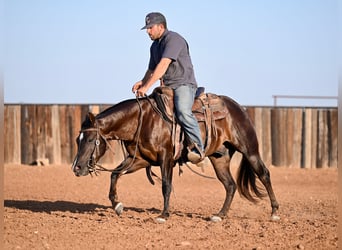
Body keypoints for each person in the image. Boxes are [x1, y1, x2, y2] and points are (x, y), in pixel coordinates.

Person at [132, 12, 205, 164]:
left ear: (161, 26)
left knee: (183, 111)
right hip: (167, 86)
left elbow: (163, 65)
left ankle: (198, 148)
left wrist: (146, 86)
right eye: (147, 28)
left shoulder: (174, 39)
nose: (148, 31)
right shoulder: (154, 46)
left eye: (150, 28)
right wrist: (142, 81)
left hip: (183, 84)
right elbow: (152, 69)